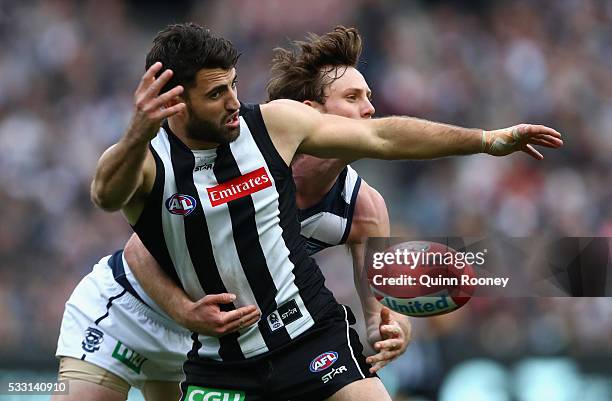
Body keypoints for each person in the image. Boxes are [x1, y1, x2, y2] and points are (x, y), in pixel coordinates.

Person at [88, 22, 562, 401]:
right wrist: (184, 310)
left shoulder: (295, 146)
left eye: (234, 87)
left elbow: (385, 141)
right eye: (216, 94)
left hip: (310, 337)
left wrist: (485, 140)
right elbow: (113, 207)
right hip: (212, 352)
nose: (235, 103)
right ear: (172, 102)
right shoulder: (149, 162)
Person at [53, 26, 412, 401]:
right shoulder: (246, 154)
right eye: (352, 97)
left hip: (215, 337)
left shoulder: (363, 207)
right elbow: (138, 251)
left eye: (368, 97)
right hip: (132, 312)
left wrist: (394, 327)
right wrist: (184, 311)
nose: (370, 109)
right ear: (311, 113)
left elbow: (385, 308)